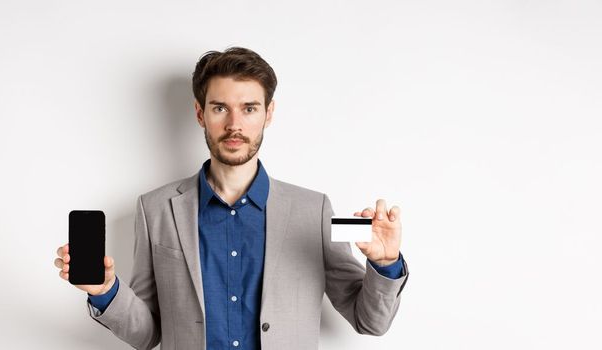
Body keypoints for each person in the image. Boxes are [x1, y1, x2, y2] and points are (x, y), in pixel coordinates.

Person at [54, 47, 407, 350]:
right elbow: (147, 335)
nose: (234, 124)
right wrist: (106, 290)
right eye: (220, 108)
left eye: (249, 108)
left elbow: (370, 322)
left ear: (268, 114)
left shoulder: (313, 211)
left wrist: (386, 264)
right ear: (200, 114)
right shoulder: (155, 209)